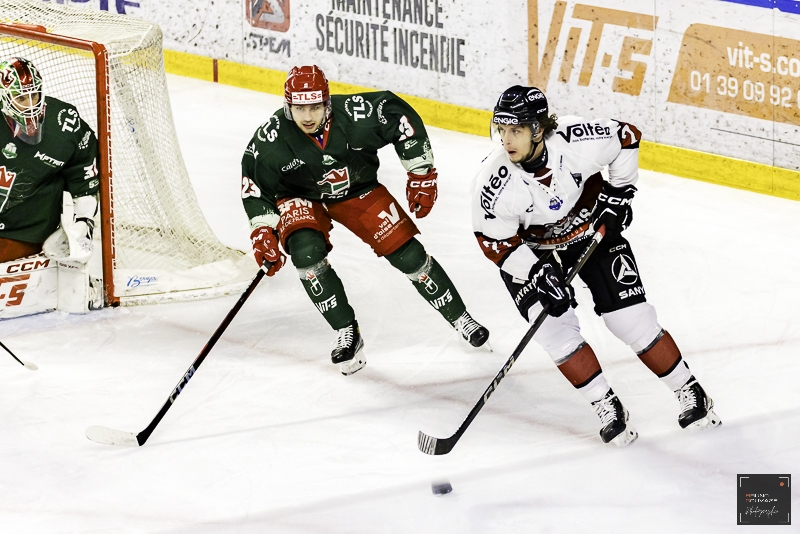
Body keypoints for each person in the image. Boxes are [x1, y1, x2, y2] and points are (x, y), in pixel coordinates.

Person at [471, 85, 720, 446]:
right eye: (502, 129)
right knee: (554, 331)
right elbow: (494, 242)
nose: (506, 140)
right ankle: (606, 404)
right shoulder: (493, 181)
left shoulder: (575, 138)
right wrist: (537, 272)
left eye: (516, 130)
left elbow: (626, 136)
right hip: (533, 252)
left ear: (538, 129)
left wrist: (618, 195)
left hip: (590, 232)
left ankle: (690, 390)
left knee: (629, 319)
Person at [241, 65, 489, 375]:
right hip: (298, 196)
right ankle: (347, 331)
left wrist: (420, 172)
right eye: (300, 107)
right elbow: (254, 184)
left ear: (327, 103)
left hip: (358, 189)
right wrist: (262, 229)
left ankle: (461, 318)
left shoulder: (355, 114)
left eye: (315, 106)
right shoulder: (272, 137)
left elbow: (398, 115)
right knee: (305, 253)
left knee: (408, 254)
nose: (307, 116)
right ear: (287, 105)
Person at [0, 57, 100, 315]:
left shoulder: (64, 125)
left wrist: (84, 220)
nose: (30, 105)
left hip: (24, 227)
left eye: (34, 95)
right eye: (21, 99)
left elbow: (84, 170)